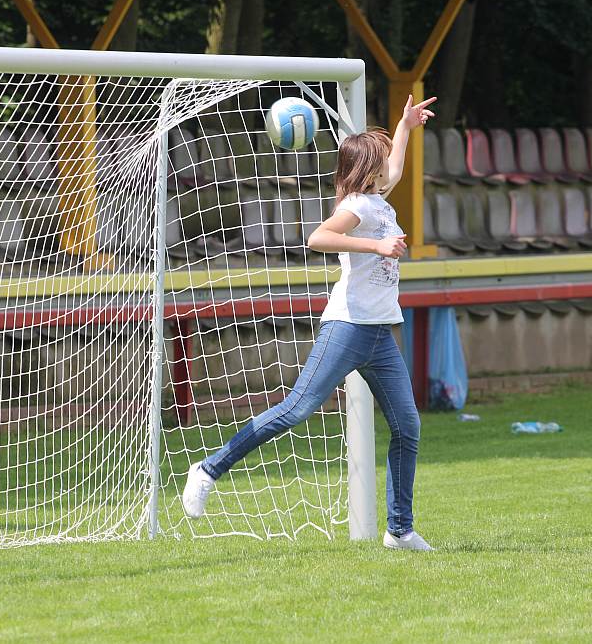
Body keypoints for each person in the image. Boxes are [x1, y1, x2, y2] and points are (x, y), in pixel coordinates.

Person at [181, 94, 438, 552]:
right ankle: (207, 470)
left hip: (379, 332)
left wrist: (405, 126)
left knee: (408, 426)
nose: (389, 167)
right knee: (297, 409)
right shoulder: (357, 205)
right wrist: (377, 249)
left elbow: (396, 167)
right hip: (348, 326)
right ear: (366, 170)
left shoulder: (378, 196)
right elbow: (319, 236)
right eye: (381, 160)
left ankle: (399, 530)